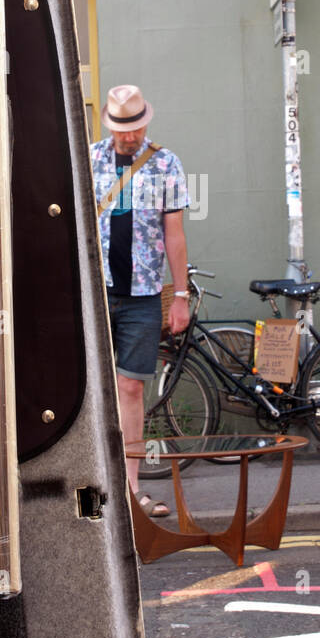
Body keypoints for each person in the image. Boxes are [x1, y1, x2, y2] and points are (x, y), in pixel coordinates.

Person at [91, 85, 190, 519]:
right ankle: (95, 489)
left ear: (145, 121)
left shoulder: (166, 163)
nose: (127, 136)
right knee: (91, 390)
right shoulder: (88, 159)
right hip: (93, 293)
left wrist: (181, 295)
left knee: (131, 387)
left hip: (143, 294)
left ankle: (131, 490)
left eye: (134, 128)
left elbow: (174, 234)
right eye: (120, 128)